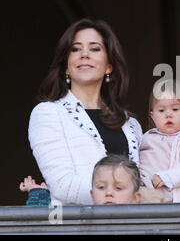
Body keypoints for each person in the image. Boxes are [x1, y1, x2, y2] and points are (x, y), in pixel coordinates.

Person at [27, 18, 142, 205]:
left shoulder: (129, 123)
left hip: (128, 227)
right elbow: (63, 186)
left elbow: (142, 182)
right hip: (79, 227)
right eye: (75, 49)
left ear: (109, 66)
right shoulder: (48, 114)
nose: (85, 54)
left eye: (95, 48)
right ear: (66, 66)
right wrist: (123, 194)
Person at [139, 79, 180, 202]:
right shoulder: (146, 138)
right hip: (150, 200)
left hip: (179, 202)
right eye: (161, 110)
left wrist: (167, 177)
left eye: (175, 109)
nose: (168, 114)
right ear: (153, 116)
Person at [20, 155, 164, 205]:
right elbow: (43, 224)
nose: (109, 193)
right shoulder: (83, 218)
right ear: (92, 194)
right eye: (101, 187)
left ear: (136, 197)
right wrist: (39, 193)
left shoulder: (142, 222)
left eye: (118, 188)